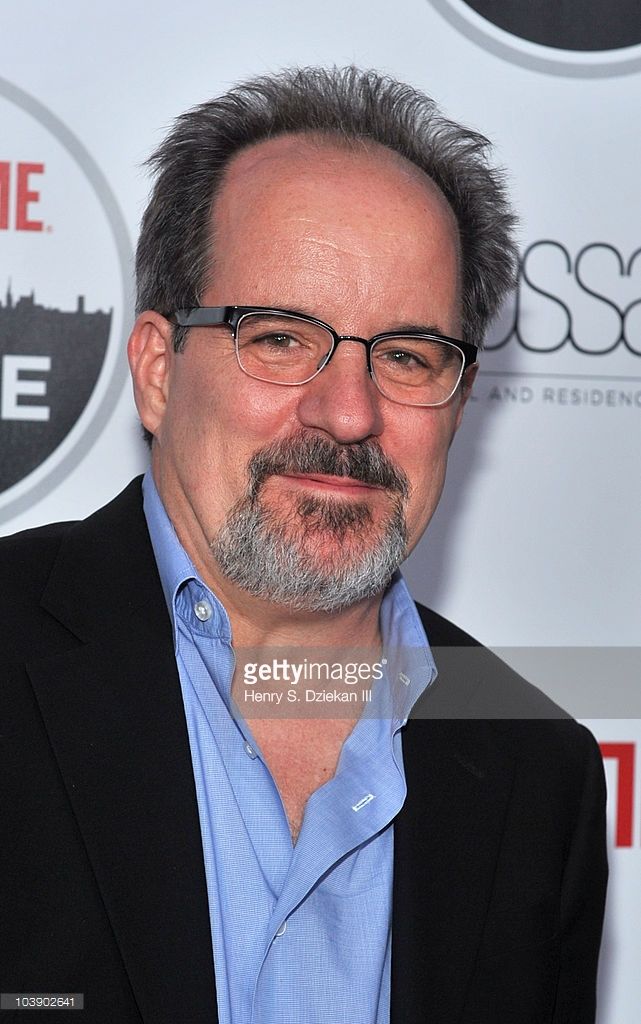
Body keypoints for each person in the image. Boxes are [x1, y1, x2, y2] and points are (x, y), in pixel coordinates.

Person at [1, 67, 606, 1023]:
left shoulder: (537, 772)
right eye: (279, 338)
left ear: (459, 403)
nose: (349, 412)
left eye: (406, 355)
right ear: (158, 371)